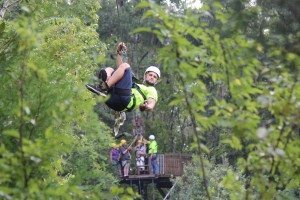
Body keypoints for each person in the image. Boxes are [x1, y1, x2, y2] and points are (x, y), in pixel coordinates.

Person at [86, 42, 161, 136]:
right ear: (145, 76)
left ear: (156, 81)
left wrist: (147, 107)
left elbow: (151, 104)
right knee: (111, 70)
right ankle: (104, 89)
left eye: (155, 77)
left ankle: (104, 87)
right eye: (150, 75)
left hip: (124, 101)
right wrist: (119, 53)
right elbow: (120, 69)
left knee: (126, 66)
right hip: (113, 101)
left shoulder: (151, 90)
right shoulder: (137, 84)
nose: (152, 77)